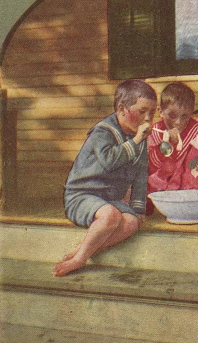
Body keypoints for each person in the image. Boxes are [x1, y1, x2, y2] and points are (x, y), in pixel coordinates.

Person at [55, 79, 156, 277]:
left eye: (152, 112)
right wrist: (136, 141)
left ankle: (84, 248)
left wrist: (138, 209)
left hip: (109, 201)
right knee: (111, 216)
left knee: (130, 222)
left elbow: (140, 176)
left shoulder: (139, 139)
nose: (149, 118)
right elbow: (109, 161)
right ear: (122, 108)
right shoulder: (103, 131)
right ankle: (80, 259)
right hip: (82, 196)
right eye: (143, 111)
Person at [146, 82, 198, 209]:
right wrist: (166, 145)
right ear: (160, 111)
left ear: (191, 113)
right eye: (172, 116)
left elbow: (194, 166)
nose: (178, 122)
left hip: (186, 189)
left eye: (184, 116)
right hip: (157, 189)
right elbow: (152, 165)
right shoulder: (157, 130)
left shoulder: (197, 130)